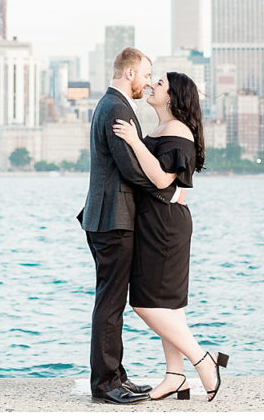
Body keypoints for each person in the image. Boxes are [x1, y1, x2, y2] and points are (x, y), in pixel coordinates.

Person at [111, 70, 229, 402]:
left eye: (159, 83)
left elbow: (163, 180)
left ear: (173, 97)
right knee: (169, 306)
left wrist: (134, 141)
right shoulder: (164, 128)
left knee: (145, 304)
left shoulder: (177, 131)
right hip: (157, 218)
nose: (151, 85)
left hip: (165, 225)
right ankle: (175, 376)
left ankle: (203, 360)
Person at [76, 47, 175, 405]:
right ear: (130, 72)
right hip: (112, 219)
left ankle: (116, 375)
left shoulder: (111, 104)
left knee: (112, 300)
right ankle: (105, 384)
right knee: (110, 302)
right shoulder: (117, 107)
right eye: (146, 75)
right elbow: (130, 168)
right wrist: (168, 189)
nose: (147, 82)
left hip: (108, 216)